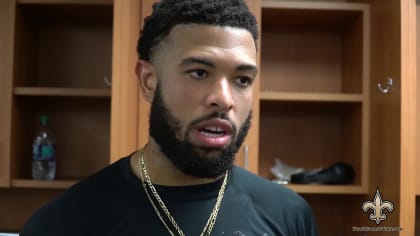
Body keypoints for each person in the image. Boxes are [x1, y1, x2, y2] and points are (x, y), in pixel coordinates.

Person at [21, 0, 318, 235]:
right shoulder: (64, 222)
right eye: (200, 73)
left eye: (242, 79)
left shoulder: (289, 215)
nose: (224, 99)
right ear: (149, 80)